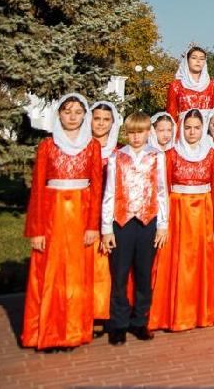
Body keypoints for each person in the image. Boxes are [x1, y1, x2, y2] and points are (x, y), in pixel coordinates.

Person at [21, 94, 103, 352]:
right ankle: (47, 332)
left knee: (77, 275)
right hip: (52, 216)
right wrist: (36, 229)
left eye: (78, 112)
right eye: (67, 111)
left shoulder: (92, 147)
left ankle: (73, 332)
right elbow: (37, 189)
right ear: (59, 115)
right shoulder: (47, 145)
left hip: (81, 214)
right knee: (51, 274)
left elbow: (97, 188)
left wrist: (92, 226)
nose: (72, 116)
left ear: (85, 116)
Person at [148, 109, 214, 332]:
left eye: (197, 127)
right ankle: (177, 312)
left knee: (201, 260)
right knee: (178, 262)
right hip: (178, 212)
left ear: (203, 128)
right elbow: (162, 190)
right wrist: (163, 222)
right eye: (188, 127)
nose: (192, 132)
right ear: (182, 128)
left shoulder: (212, 155)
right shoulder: (170, 155)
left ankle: (200, 311)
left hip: (203, 212)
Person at [100, 112, 169, 345]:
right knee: (119, 275)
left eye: (141, 132)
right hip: (122, 223)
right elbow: (109, 193)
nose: (136, 137)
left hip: (148, 222)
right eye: (132, 133)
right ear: (126, 133)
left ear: (148, 132)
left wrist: (162, 225)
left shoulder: (157, 157)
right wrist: (106, 228)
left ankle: (140, 320)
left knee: (143, 273)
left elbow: (162, 192)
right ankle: (118, 324)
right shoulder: (116, 157)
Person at [89, 100, 121, 325]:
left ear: (112, 123)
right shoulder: (81, 147)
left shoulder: (118, 151)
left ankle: (103, 310)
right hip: (84, 209)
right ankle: (85, 309)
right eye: (97, 118)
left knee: (108, 261)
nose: (101, 123)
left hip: (111, 211)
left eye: (106, 120)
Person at [166, 46, 214, 117]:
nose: (198, 61)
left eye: (202, 59)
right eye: (194, 58)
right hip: (183, 126)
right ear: (187, 61)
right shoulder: (175, 85)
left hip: (207, 126)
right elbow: (171, 115)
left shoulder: (213, 85)